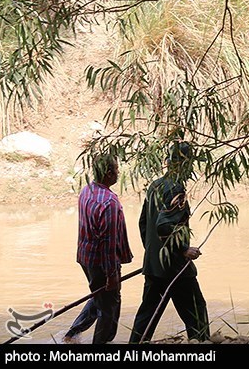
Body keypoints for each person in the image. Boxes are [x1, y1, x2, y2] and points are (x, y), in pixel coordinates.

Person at [129, 141, 209, 343]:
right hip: (175, 268)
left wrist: (153, 252)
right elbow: (164, 226)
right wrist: (183, 250)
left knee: (147, 315)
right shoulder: (176, 189)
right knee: (196, 310)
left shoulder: (155, 186)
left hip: (155, 266)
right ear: (186, 164)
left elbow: (143, 224)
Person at [63, 154, 133, 344]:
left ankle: (71, 335)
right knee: (109, 307)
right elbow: (108, 245)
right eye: (117, 170)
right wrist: (112, 275)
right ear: (109, 174)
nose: (119, 173)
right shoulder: (109, 203)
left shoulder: (87, 190)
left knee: (99, 296)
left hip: (85, 258)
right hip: (102, 262)